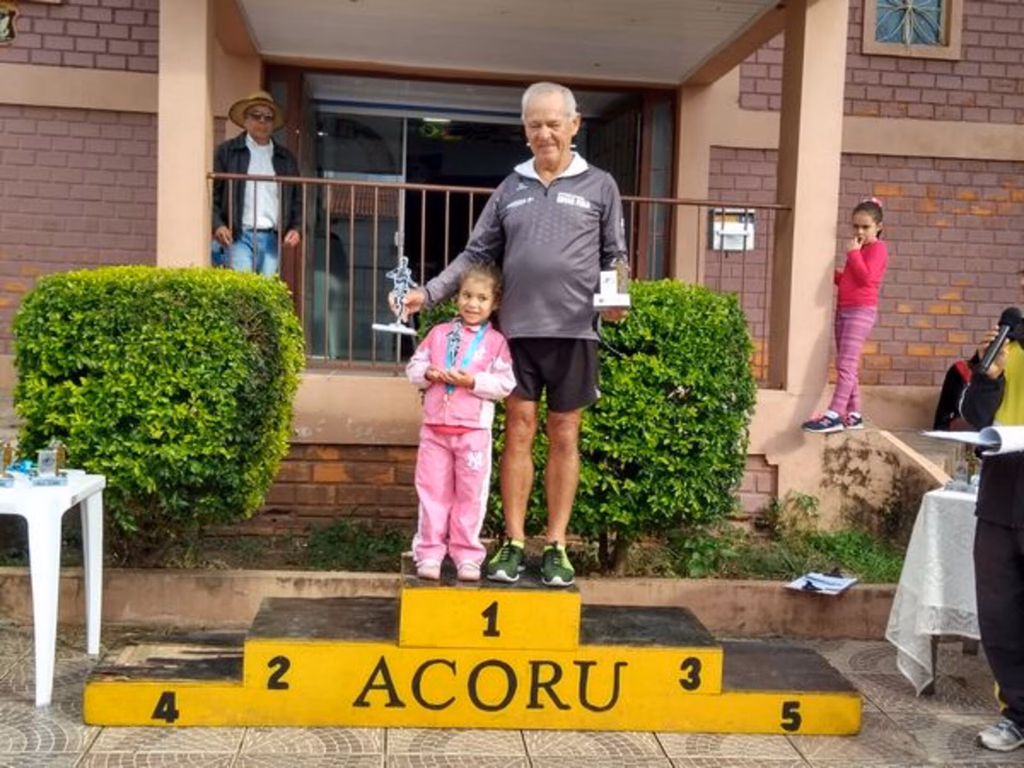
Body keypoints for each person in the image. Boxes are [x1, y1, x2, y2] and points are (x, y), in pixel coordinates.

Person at [399, 81, 629, 587]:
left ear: (574, 125)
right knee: (519, 432)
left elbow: (615, 253)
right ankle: (514, 543)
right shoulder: (512, 187)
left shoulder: (599, 184)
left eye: (553, 123)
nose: (544, 133)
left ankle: (558, 547)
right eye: (534, 125)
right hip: (516, 336)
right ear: (524, 131)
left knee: (564, 434)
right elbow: (475, 253)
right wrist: (430, 293)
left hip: (574, 335)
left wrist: (616, 301)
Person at [405, 263, 516, 581]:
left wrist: (472, 382)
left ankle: (467, 554)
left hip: (473, 434)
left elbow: (505, 384)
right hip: (434, 432)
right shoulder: (439, 334)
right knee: (431, 493)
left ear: (494, 303)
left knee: (471, 496)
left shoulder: (496, 342)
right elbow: (414, 366)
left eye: (482, 298)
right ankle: (428, 552)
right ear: (457, 298)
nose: (472, 304)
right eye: (467, 295)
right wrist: (427, 374)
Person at [961, 312, 1024, 752]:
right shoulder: (1005, 345)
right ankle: (1016, 716)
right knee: (999, 613)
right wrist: (990, 374)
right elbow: (972, 413)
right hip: (1002, 497)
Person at [802, 198, 889, 433]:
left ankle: (834, 414)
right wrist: (830, 273)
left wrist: (853, 254)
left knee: (846, 363)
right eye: (855, 227)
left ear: (878, 227)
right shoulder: (861, 251)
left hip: (861, 312)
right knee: (847, 363)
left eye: (865, 227)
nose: (859, 232)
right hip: (845, 310)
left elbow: (867, 279)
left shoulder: (877, 249)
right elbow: (850, 282)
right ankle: (853, 413)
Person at [211, 90, 301, 277]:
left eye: (268, 117)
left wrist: (296, 228)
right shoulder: (227, 152)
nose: (262, 121)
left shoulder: (285, 158)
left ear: (273, 124)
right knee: (243, 290)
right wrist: (218, 224)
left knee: (264, 291)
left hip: (271, 238)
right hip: (238, 235)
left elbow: (297, 200)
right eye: (256, 116)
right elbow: (214, 193)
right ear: (245, 120)